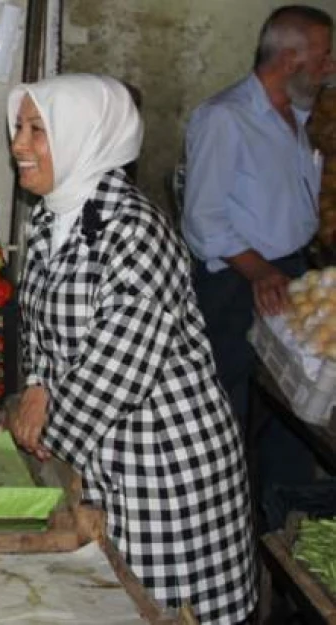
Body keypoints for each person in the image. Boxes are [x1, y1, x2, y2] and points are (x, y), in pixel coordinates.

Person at [5, 74, 256, 624]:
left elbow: (116, 366)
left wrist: (40, 437)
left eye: (37, 130)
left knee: (164, 608)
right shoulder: (53, 218)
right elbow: (40, 326)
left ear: (85, 137)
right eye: (19, 127)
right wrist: (36, 385)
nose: (19, 144)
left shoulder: (135, 231)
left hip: (159, 467)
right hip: (97, 454)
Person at [182, 6, 333, 499]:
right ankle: (215, 507)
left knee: (291, 406)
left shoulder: (296, 114)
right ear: (291, 58)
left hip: (286, 271)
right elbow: (203, 221)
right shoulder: (225, 118)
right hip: (235, 280)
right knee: (226, 403)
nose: (330, 68)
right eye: (325, 57)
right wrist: (260, 272)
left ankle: (281, 512)